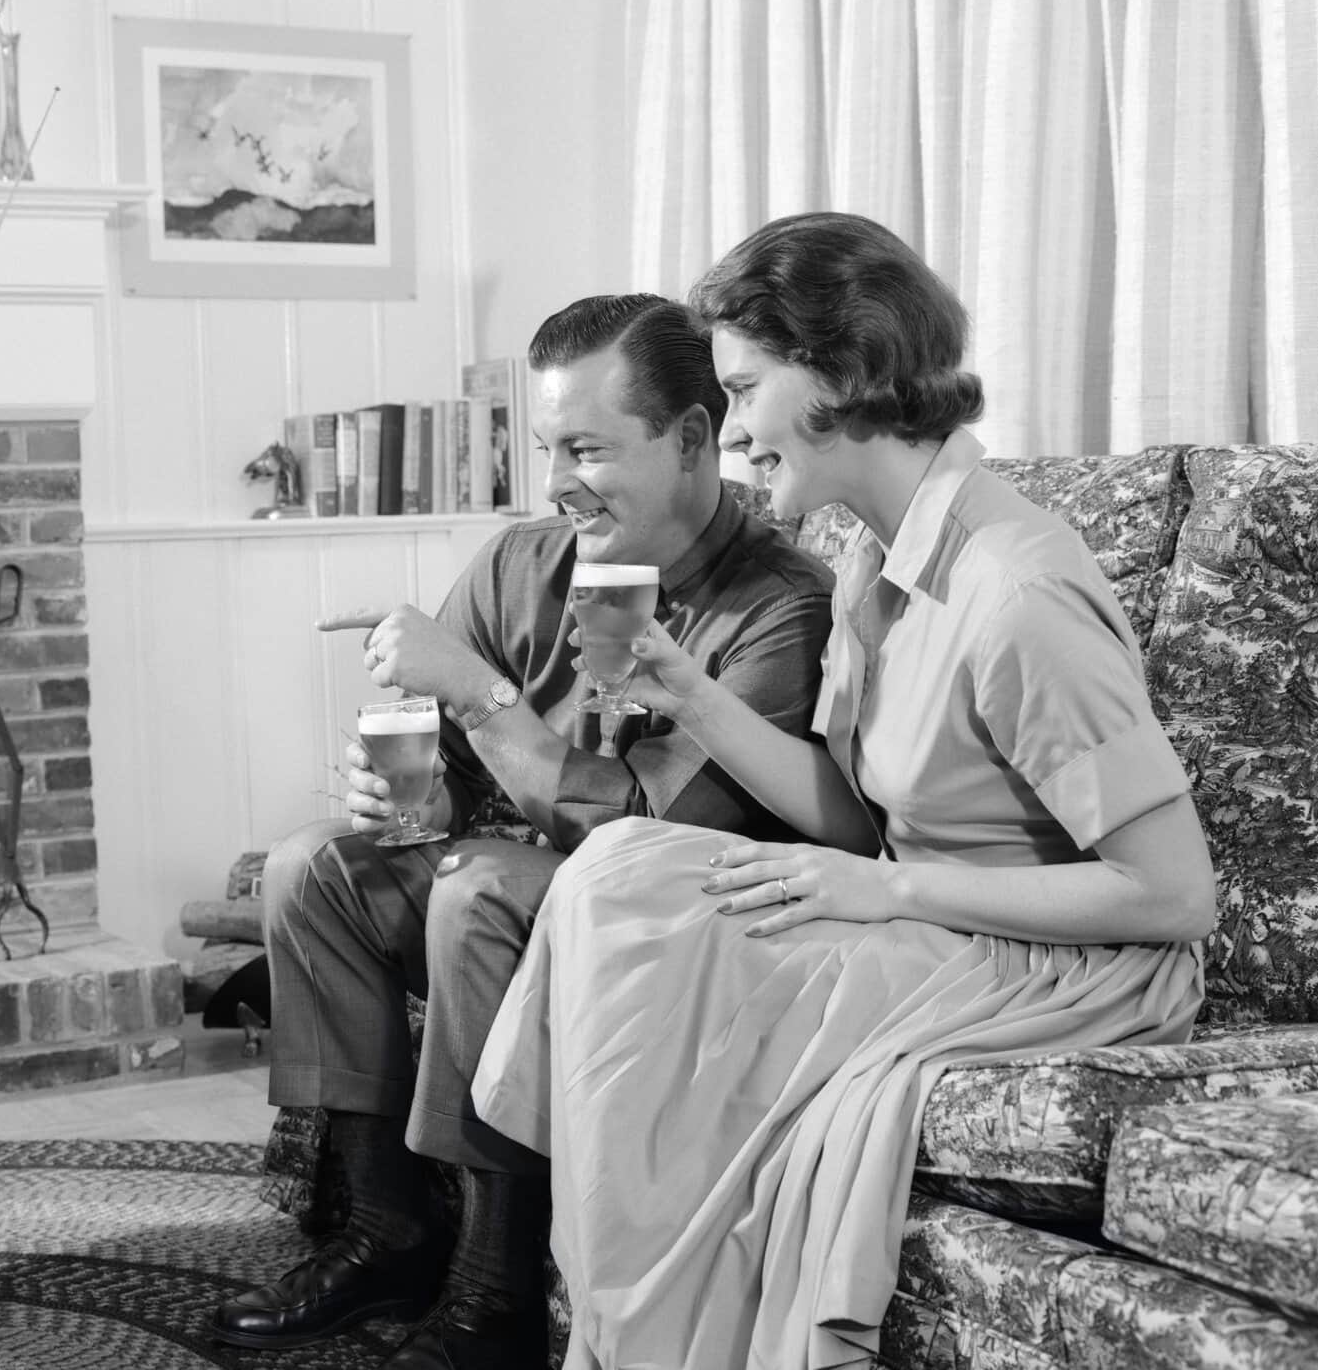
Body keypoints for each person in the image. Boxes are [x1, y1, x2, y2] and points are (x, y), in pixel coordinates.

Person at [472, 213, 1218, 1370]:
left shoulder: (1014, 588)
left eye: (746, 388)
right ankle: (629, 1323)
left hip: (1066, 961)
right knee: (618, 872)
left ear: (841, 373)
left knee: (650, 936)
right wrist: (692, 694)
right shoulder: (875, 553)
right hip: (931, 910)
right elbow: (856, 813)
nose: (728, 433)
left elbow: (1173, 896)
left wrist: (884, 888)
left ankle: (626, 1339)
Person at [211, 295, 836, 1369]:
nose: (554, 481)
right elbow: (441, 774)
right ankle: (386, 1225)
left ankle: (495, 1290)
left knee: (483, 889)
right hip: (521, 902)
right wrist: (397, 790)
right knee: (313, 866)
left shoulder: (780, 605)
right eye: (548, 446)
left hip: (670, 931)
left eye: (586, 447)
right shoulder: (525, 561)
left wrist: (485, 698)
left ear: (692, 438)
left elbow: (647, 834)